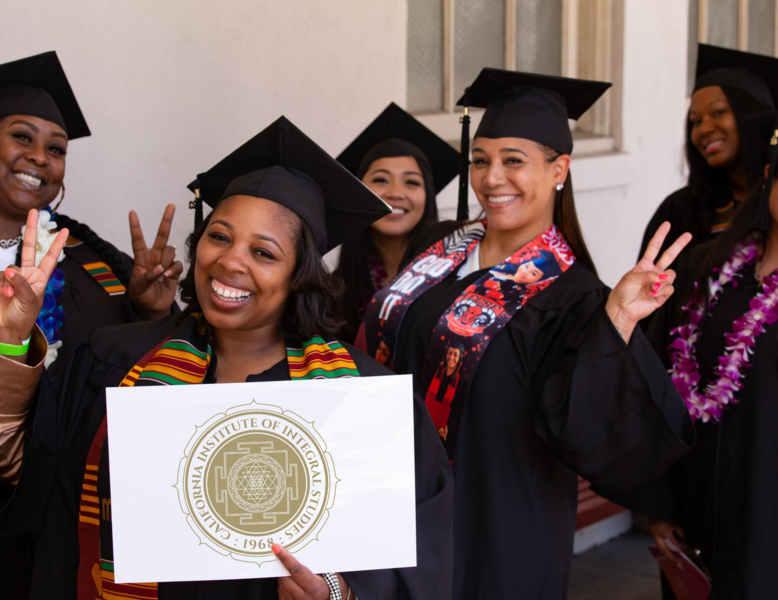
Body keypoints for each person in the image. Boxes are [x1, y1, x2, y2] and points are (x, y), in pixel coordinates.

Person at [0, 116, 453, 599]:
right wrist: (9, 340)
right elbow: (21, 476)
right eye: (219, 236)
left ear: (299, 276)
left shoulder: (361, 401)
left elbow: (416, 558)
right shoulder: (112, 362)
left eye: (263, 252)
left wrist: (336, 594)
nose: (230, 261)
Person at [361, 67, 696, 599]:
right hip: (405, 511)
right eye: (481, 160)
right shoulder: (438, 251)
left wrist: (620, 323)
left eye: (513, 161)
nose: (492, 178)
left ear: (559, 168)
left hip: (498, 528)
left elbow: (583, 429)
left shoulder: (575, 297)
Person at [0, 51, 182, 598]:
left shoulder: (84, 254)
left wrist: (149, 309)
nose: (40, 158)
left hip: (65, 502)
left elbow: (126, 361)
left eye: (56, 149)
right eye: (22, 138)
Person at [619, 108, 778, 599]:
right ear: (769, 178)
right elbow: (655, 381)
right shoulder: (709, 266)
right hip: (694, 515)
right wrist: (660, 502)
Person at [639, 44, 778, 259]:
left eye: (718, 112)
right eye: (695, 121)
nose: (704, 129)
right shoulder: (681, 210)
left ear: (752, 113)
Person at [334, 103, 460, 343]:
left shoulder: (457, 276)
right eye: (381, 179)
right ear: (358, 192)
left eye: (411, 182)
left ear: (428, 197)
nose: (395, 193)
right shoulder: (332, 290)